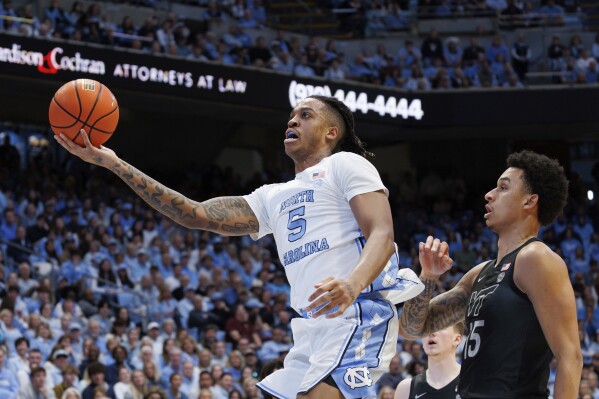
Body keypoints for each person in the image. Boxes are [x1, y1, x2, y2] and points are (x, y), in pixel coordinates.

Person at [54, 95, 425, 399]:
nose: (292, 121)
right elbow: (194, 214)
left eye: (305, 116)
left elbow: (381, 233)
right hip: (312, 328)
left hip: (357, 312)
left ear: (332, 132)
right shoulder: (271, 196)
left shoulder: (346, 164)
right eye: (291, 116)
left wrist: (352, 284)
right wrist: (113, 163)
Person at [397, 150, 582, 398]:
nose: (489, 194)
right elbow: (410, 329)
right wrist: (428, 276)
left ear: (529, 201)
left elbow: (570, 356)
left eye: (503, 188)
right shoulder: (479, 274)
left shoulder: (535, 259)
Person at [394, 322, 464, 399]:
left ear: (457, 339)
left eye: (440, 327)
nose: (431, 333)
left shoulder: (472, 383)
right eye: (427, 328)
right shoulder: (406, 389)